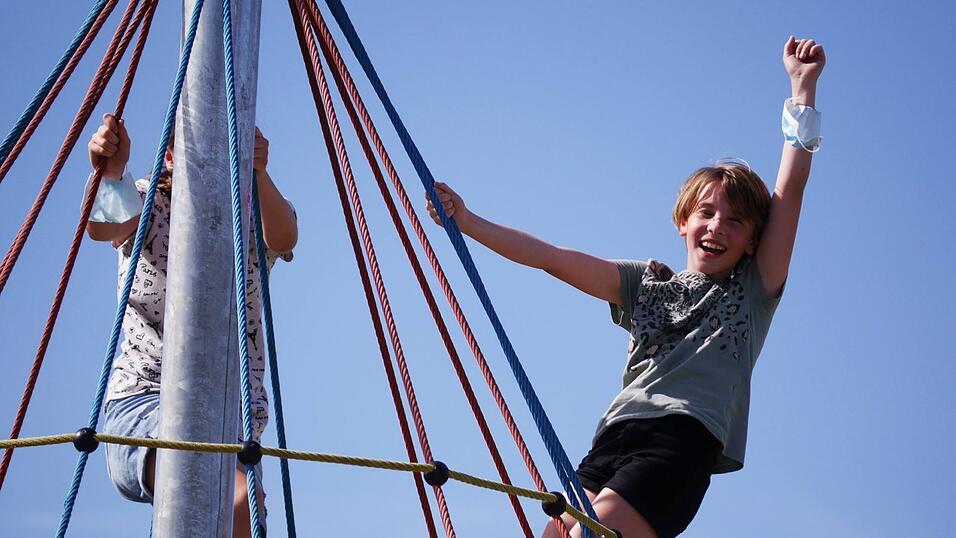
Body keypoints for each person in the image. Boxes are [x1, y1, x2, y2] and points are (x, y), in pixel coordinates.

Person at [426, 37, 825, 538]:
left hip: (680, 444)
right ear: (683, 221)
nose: (717, 227)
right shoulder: (647, 284)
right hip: (612, 439)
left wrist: (801, 88)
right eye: (706, 212)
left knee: (594, 532)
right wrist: (468, 221)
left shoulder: (753, 290)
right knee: (557, 535)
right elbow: (552, 259)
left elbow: (790, 190)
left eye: (736, 220)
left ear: (752, 241)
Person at [86, 114, 297, 538]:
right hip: (144, 408)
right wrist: (110, 172)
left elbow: (285, 236)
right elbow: (103, 225)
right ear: (170, 156)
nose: (216, 163)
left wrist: (259, 172)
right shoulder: (148, 203)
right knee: (232, 498)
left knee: (238, 505)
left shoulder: (250, 217)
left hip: (229, 423)